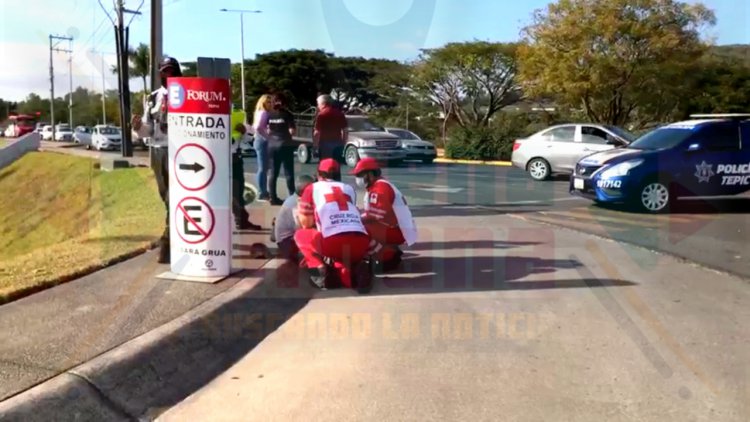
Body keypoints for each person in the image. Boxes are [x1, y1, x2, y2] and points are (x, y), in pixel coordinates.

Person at [131, 56, 181, 264]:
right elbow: (147, 130)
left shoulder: (189, 93)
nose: (168, 75)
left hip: (183, 151)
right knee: (166, 197)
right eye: (165, 72)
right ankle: (174, 237)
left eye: (172, 71)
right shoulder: (152, 98)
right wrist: (136, 128)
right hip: (159, 151)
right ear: (160, 74)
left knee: (174, 198)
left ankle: (167, 243)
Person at [294, 159, 372, 292]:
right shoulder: (349, 188)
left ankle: (319, 268)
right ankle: (353, 269)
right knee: (345, 248)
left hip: (333, 244)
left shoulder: (311, 188)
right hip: (361, 243)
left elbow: (306, 224)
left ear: (319, 175)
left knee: (301, 235)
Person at [351, 157, 418, 272]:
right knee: (360, 226)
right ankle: (387, 252)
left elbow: (378, 215)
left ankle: (386, 257)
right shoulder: (377, 186)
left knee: (359, 230)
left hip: (396, 230)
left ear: (370, 174)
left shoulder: (380, 188)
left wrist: (355, 218)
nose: (358, 178)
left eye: (360, 174)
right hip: (396, 227)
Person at [271, 174, 314, 261]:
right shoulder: (297, 203)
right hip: (287, 243)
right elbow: (301, 227)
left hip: (285, 238)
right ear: (304, 191)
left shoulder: (293, 198)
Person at [265, 93, 297, 206]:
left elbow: (267, 130)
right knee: (288, 172)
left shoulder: (269, 115)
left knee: (273, 172)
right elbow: (292, 131)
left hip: (272, 145)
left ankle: (272, 198)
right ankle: (292, 197)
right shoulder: (287, 114)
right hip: (285, 144)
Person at [231, 122, 262, 231]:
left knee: (238, 191)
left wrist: (244, 132)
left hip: (236, 159)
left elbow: (248, 140)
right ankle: (240, 219)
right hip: (222, 159)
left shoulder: (236, 118)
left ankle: (241, 221)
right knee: (232, 193)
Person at [313, 94, 348, 162]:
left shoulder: (321, 115)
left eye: (318, 104)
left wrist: (315, 146)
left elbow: (317, 132)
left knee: (325, 166)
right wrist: (343, 143)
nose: (318, 106)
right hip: (338, 143)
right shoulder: (340, 114)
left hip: (324, 144)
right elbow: (345, 130)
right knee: (336, 165)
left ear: (323, 103)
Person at [252, 95, 273, 201]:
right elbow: (258, 127)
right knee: (262, 168)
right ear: (263, 103)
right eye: (268, 102)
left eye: (271, 102)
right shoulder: (264, 113)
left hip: (260, 141)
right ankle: (261, 192)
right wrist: (267, 137)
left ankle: (264, 191)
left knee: (264, 168)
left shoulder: (259, 112)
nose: (270, 104)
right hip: (262, 141)